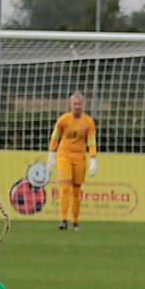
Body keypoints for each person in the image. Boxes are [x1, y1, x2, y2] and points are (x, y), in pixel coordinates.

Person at [47, 92, 98, 231]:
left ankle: (75, 221)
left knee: (76, 190)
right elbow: (55, 137)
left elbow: (91, 141)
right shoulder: (63, 120)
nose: (77, 106)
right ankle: (63, 220)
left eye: (79, 104)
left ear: (83, 105)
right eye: (74, 104)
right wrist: (51, 154)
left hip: (80, 157)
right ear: (70, 105)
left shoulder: (88, 122)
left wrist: (93, 158)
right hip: (64, 156)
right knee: (65, 188)